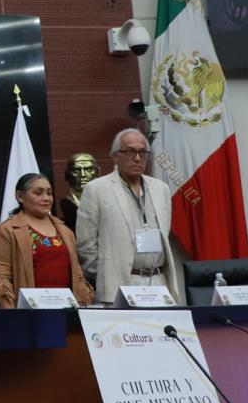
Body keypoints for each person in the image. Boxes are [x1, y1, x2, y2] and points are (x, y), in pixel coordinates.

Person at [76, 128, 184, 304]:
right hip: (119, 283)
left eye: (143, 153)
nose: (137, 158)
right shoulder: (96, 189)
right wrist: (105, 274)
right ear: (115, 156)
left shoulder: (161, 189)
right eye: (130, 151)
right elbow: (85, 245)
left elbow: (165, 233)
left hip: (159, 280)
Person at [0, 173, 95, 308]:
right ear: (20, 197)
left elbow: (78, 275)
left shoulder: (65, 231)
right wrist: (11, 313)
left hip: (67, 310)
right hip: (29, 311)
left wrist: (85, 304)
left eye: (49, 193)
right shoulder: (7, 231)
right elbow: (1, 279)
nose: (46, 198)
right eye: (38, 193)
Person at [58, 152, 100, 232]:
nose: (83, 175)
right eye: (76, 170)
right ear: (67, 174)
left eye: (88, 169)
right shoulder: (67, 203)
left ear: (97, 172)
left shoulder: (104, 200)